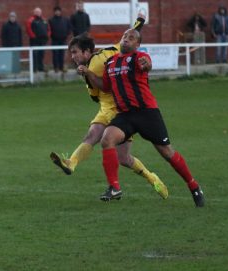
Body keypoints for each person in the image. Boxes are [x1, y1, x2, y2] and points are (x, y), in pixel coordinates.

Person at [79, 29, 205, 207]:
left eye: (131, 38)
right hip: (125, 115)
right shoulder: (110, 63)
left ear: (137, 44)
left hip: (147, 113)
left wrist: (147, 65)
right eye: (124, 36)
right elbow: (105, 87)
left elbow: (146, 65)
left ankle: (193, 186)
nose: (126, 40)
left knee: (167, 153)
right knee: (107, 139)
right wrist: (89, 74)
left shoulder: (139, 57)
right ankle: (114, 187)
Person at [50, 15, 168, 200]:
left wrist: (140, 25)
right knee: (111, 149)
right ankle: (71, 163)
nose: (72, 57)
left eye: (75, 52)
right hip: (106, 108)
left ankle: (151, 178)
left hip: (121, 109)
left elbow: (123, 43)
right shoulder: (86, 67)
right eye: (71, 53)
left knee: (121, 156)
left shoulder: (102, 57)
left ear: (87, 51)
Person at [26, 7, 51, 72]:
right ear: (34, 12)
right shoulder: (31, 20)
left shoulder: (44, 20)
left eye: (39, 12)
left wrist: (47, 36)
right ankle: (34, 68)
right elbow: (28, 29)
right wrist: (33, 37)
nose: (38, 13)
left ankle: (41, 67)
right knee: (34, 55)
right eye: (37, 12)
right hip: (34, 41)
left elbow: (48, 29)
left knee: (41, 54)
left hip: (43, 41)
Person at [49, 6, 71, 72]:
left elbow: (69, 28)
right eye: (56, 11)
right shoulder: (51, 20)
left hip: (63, 40)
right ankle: (56, 67)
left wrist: (66, 34)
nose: (57, 12)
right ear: (54, 12)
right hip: (54, 40)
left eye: (58, 11)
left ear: (60, 12)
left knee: (62, 54)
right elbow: (49, 30)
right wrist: (52, 36)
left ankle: (61, 67)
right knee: (55, 54)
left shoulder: (65, 19)